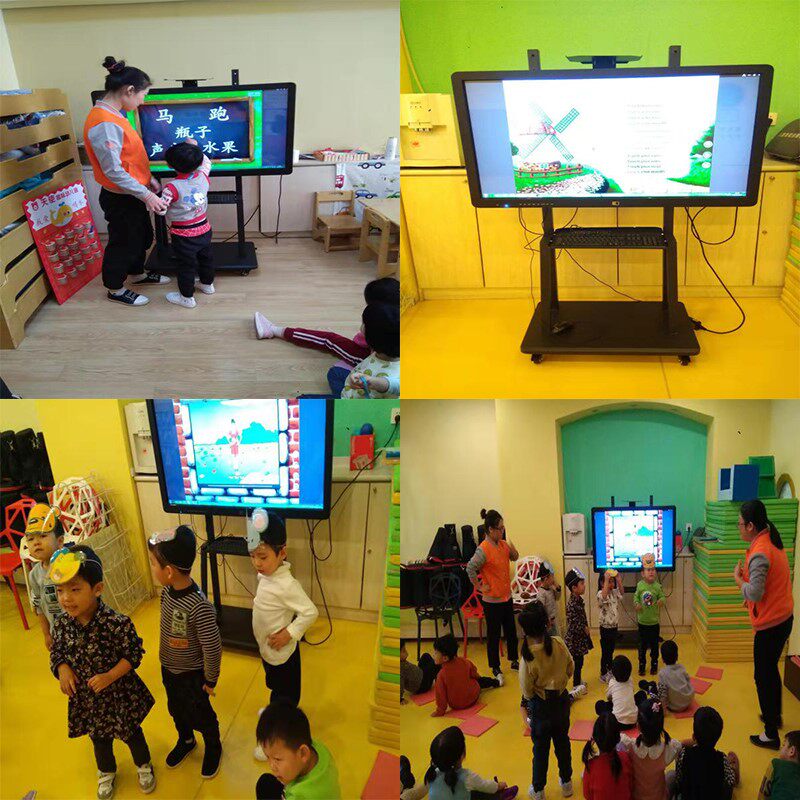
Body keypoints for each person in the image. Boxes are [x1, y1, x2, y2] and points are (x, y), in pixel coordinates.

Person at [48, 545, 156, 799]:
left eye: (75, 589)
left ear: (97, 589)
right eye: (60, 590)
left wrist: (110, 676)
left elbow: (133, 655)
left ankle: (144, 765)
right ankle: (106, 771)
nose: (66, 598)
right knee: (99, 739)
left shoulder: (115, 623)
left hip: (119, 695)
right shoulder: (62, 624)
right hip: (89, 700)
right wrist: (62, 668)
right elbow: (57, 651)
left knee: (132, 734)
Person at [83, 56, 170, 306]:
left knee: (142, 237)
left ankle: (137, 274)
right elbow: (114, 171)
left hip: (133, 192)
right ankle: (115, 288)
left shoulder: (115, 115)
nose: (143, 101)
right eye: (143, 95)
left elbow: (129, 157)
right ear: (129, 90)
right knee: (123, 243)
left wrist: (148, 180)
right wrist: (147, 195)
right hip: (120, 198)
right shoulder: (104, 122)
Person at [147, 526, 222, 778]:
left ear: (168, 571)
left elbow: (212, 647)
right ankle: (186, 740)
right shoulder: (167, 592)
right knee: (176, 710)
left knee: (201, 714)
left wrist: (210, 679)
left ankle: (214, 745)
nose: (152, 568)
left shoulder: (199, 606)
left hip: (192, 675)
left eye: (153, 564)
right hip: (169, 670)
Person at [248, 511, 318, 761]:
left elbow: (310, 612)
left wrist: (290, 632)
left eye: (263, 557)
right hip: (269, 652)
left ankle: (274, 738)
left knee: (284, 699)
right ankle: (273, 711)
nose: (257, 563)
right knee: (275, 688)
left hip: (283, 657)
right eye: (253, 556)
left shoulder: (286, 584)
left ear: (282, 553)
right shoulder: (268, 575)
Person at [253, 278, 399, 397]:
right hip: (378, 358)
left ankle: (273, 330)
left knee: (328, 342)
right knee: (335, 364)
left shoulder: (380, 344)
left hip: (370, 360)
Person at [733, 499, 794, 749]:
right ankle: (774, 717)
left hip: (771, 626)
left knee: (763, 676)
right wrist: (749, 597)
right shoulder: (768, 539)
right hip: (782, 618)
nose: (738, 528)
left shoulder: (760, 552)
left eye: (739, 524)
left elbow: (756, 592)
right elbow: (766, 585)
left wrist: (738, 581)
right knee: (770, 671)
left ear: (750, 526)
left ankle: (770, 734)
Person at [518, 601, 574, 800]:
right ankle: (566, 783)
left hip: (540, 706)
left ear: (525, 630)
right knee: (563, 743)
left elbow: (527, 690)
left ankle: (538, 789)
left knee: (540, 750)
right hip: (561, 701)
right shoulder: (558, 642)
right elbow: (570, 667)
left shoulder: (527, 656)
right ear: (547, 624)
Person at [158, 139, 214, 308]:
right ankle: (207, 285)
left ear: (170, 165)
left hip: (183, 235)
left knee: (186, 266)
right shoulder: (203, 176)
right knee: (206, 258)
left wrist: (152, 198)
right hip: (204, 228)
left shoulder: (171, 188)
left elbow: (160, 210)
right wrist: (194, 147)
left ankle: (187, 298)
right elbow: (206, 162)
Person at [465, 508, 519, 682]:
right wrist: (479, 586)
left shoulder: (502, 545)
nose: (502, 531)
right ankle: (495, 667)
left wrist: (512, 548)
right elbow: (470, 568)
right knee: (494, 635)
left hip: (506, 597)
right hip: (492, 601)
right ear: (490, 530)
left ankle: (514, 660)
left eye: (503, 528)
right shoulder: (483, 549)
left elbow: (514, 557)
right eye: (500, 528)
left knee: (511, 631)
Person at [255, 701, 341, 800]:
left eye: (277, 759)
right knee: (267, 783)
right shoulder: (319, 749)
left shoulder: (301, 796)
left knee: (265, 786)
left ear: (303, 753)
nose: (272, 766)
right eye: (267, 757)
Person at [424, 725, 518, 800]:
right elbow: (486, 786)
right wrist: (498, 786)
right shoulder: (467, 777)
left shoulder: (432, 774)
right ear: (462, 754)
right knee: (481, 793)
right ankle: (501, 796)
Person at [619, 695, 682, 800]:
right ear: (661, 726)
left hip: (636, 797)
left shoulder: (630, 746)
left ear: (638, 726)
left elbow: (618, 737)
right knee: (672, 774)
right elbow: (680, 745)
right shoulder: (667, 750)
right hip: (659, 797)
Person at [672, 706, 739, 800]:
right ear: (717, 738)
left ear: (693, 737)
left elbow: (679, 780)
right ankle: (733, 771)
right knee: (727, 782)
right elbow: (729, 782)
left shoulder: (685, 754)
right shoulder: (721, 758)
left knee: (672, 775)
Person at [23, 503, 65, 650]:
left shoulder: (68, 566)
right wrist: (46, 634)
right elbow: (40, 607)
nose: (36, 542)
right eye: (30, 539)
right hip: (57, 633)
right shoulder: (34, 575)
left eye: (42, 536)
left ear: (60, 541)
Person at [430, 634, 500, 717]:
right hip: (473, 697)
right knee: (480, 681)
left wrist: (440, 711)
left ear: (445, 658)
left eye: (435, 653)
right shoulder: (464, 661)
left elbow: (440, 695)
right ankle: (497, 682)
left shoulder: (441, 675)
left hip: (456, 705)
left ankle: (495, 682)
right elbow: (474, 674)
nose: (433, 655)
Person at [341, 302, 400, 398]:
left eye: (364, 324)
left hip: (352, 401)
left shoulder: (379, 379)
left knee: (334, 373)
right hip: (358, 380)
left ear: (372, 338)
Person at [581, 711, 633, 800]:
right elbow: (631, 786)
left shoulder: (590, 766)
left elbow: (587, 795)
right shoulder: (625, 758)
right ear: (618, 738)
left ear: (595, 738)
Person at [633, 553, 665, 676]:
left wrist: (661, 601)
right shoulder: (640, 585)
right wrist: (636, 604)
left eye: (653, 569)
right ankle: (642, 664)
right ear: (643, 573)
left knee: (654, 646)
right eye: (648, 570)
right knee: (642, 646)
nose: (651, 572)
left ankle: (654, 663)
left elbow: (662, 597)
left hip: (654, 623)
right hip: (642, 622)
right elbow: (635, 598)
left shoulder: (657, 586)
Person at [564, 568, 592, 692]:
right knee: (578, 662)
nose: (584, 585)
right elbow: (573, 624)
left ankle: (578, 680)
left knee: (580, 662)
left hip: (579, 639)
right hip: (575, 640)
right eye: (582, 583)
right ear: (574, 588)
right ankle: (576, 685)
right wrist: (584, 628)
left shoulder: (578, 600)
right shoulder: (572, 604)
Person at [596, 655, 638, 730]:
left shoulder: (612, 682)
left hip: (617, 723)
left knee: (599, 704)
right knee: (640, 694)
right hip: (633, 721)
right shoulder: (630, 680)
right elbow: (632, 692)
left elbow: (609, 697)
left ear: (613, 672)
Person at [596, 569, 623, 682]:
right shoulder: (600, 593)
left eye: (612, 582)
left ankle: (610, 670)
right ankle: (603, 672)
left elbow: (622, 592)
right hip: (605, 628)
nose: (611, 584)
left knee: (611, 651)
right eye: (608, 581)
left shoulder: (614, 592)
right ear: (602, 583)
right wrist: (606, 580)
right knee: (605, 652)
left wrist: (619, 580)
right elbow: (604, 596)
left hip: (613, 627)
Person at [758, 729, 800, 799]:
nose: (781, 748)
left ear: (792, 751)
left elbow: (762, 795)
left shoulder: (776, 765)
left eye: (783, 745)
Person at [656, 640, 694, 712]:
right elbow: (688, 681)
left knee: (656, 689)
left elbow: (663, 694)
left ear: (662, 659)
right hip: (688, 701)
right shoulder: (681, 667)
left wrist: (662, 710)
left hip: (675, 707)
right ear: (677, 656)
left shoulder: (662, 673)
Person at [400, 638, 440, 703]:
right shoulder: (400, 668)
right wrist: (400, 699)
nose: (406, 652)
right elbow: (400, 683)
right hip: (422, 685)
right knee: (434, 665)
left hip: (420, 673)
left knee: (425, 655)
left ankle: (435, 671)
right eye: (404, 651)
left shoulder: (401, 661)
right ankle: (440, 676)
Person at [536, 561, 561, 636]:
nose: (553, 579)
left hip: (554, 620)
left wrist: (558, 588)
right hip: (548, 623)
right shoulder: (541, 593)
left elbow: (558, 598)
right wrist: (546, 621)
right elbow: (541, 610)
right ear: (546, 579)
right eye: (552, 577)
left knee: (556, 637)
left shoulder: (551, 589)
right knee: (550, 639)